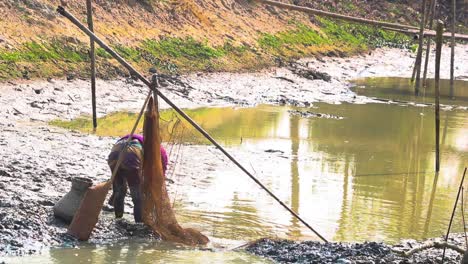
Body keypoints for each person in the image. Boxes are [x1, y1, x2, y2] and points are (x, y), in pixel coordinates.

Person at [107, 134, 168, 222]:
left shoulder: (138, 137)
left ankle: (118, 219)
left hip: (114, 154)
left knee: (119, 191)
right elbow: (160, 175)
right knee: (138, 198)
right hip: (131, 157)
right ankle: (138, 225)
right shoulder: (161, 151)